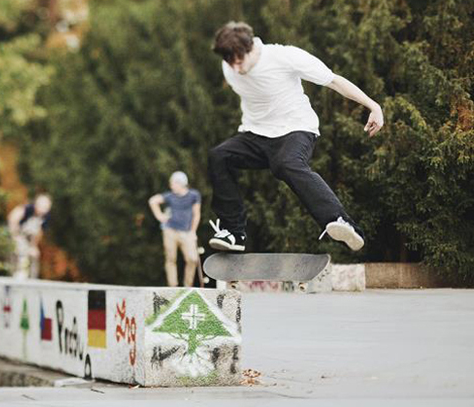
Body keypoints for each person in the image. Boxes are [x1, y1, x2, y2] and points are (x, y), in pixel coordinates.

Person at [207, 21, 383, 253]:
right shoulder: (228, 66)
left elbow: (334, 81)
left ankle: (341, 221)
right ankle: (233, 233)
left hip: (296, 128)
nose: (236, 69)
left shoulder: (285, 56)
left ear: (251, 48)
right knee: (219, 156)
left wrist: (373, 106)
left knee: (286, 164)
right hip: (256, 135)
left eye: (240, 61)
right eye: (231, 63)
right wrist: (233, 63)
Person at [148, 171, 201, 287]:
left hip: (187, 232)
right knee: (171, 259)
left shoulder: (193, 195)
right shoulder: (170, 196)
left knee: (192, 258)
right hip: (170, 230)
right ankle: (173, 287)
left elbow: (196, 214)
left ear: (180, 183)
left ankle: (188, 286)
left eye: (172, 183)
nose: (171, 185)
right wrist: (160, 216)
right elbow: (153, 201)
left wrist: (193, 231)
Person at [7, 193, 52, 279]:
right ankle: (19, 274)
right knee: (21, 250)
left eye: (46, 207)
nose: (43, 210)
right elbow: (12, 219)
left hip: (27, 238)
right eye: (42, 206)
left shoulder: (45, 217)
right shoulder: (27, 209)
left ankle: (31, 277)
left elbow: (38, 233)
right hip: (15, 233)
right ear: (36, 204)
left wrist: (33, 246)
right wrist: (14, 238)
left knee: (34, 254)